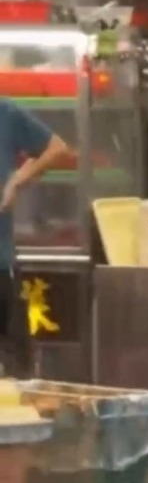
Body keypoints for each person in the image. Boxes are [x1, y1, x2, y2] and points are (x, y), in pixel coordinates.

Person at [0, 98, 71, 375]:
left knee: (15, 368)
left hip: (0, 266)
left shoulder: (6, 113)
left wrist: (18, 179)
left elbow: (57, 148)